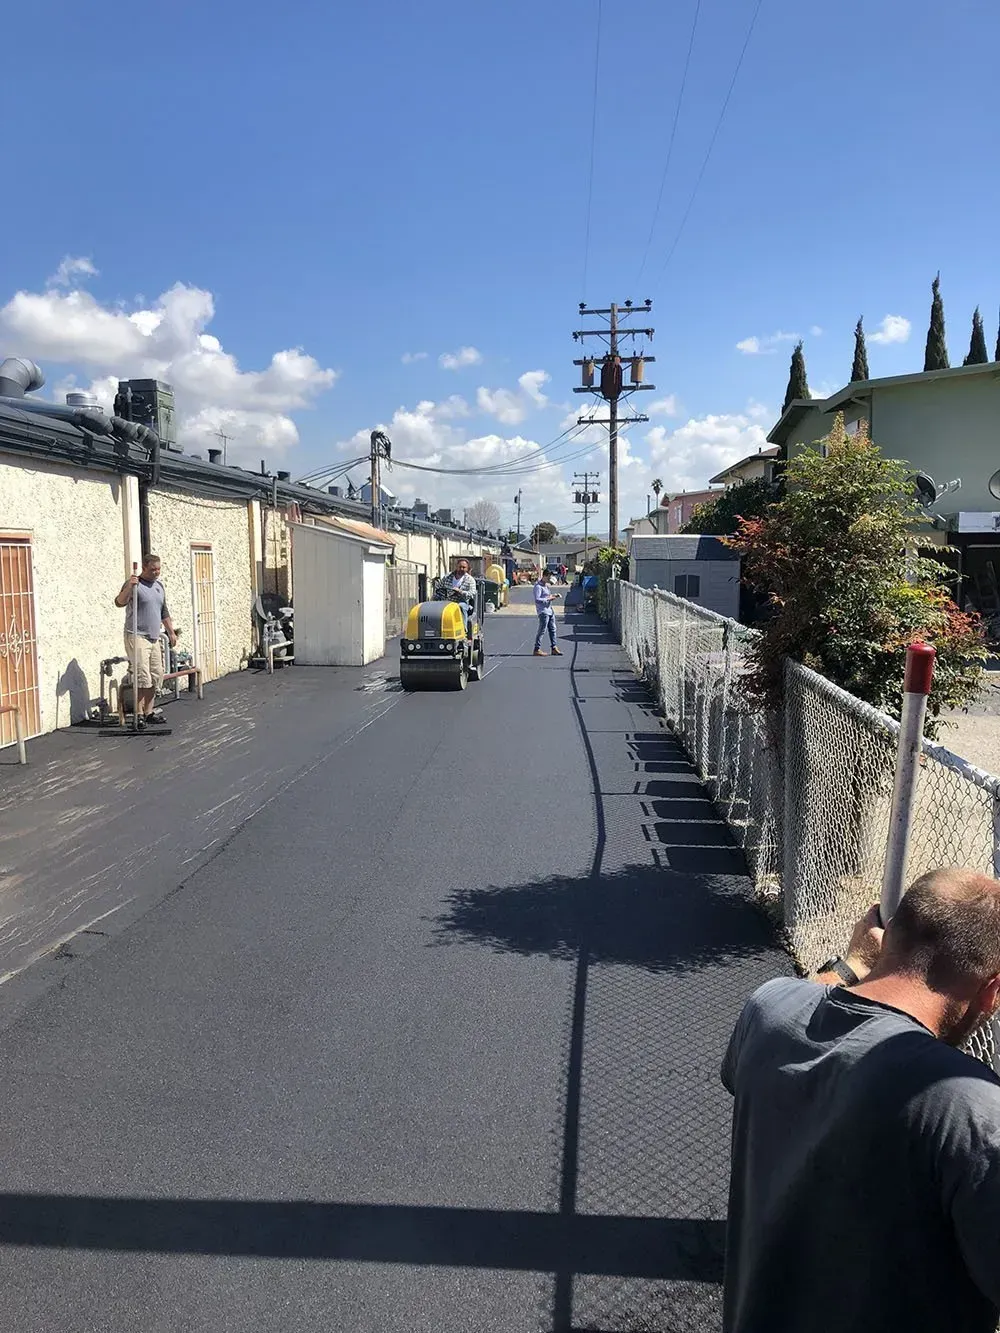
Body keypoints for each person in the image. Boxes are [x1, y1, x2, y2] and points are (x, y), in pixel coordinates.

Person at [721, 867, 1000, 1333]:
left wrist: (852, 964)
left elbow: (808, 993)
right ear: (991, 993)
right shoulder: (971, 1106)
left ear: (886, 938)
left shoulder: (767, 1009)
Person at [114, 554, 176, 728]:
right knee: (142, 676)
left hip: (153, 637)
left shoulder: (159, 586)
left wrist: (171, 632)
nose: (156, 572)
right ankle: (138, 714)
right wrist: (129, 588)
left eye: (158, 569)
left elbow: (163, 611)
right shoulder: (134, 584)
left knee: (157, 675)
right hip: (136, 635)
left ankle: (149, 712)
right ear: (144, 568)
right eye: (152, 569)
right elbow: (119, 602)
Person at [443, 559, 477, 635]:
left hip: (463, 602)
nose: (461, 569)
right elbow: (439, 588)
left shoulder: (470, 580)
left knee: (460, 606)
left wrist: (460, 592)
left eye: (464, 567)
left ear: (467, 569)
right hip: (447, 602)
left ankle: (463, 629)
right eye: (460, 567)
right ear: (456, 567)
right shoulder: (447, 577)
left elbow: (472, 593)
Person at [533, 569, 562, 656]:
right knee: (542, 630)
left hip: (549, 610)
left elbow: (547, 596)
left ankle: (554, 647)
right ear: (545, 576)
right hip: (543, 611)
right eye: (548, 577)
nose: (550, 579)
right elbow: (537, 599)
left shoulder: (546, 586)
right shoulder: (538, 587)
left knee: (553, 629)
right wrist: (548, 599)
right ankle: (536, 649)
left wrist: (554, 596)